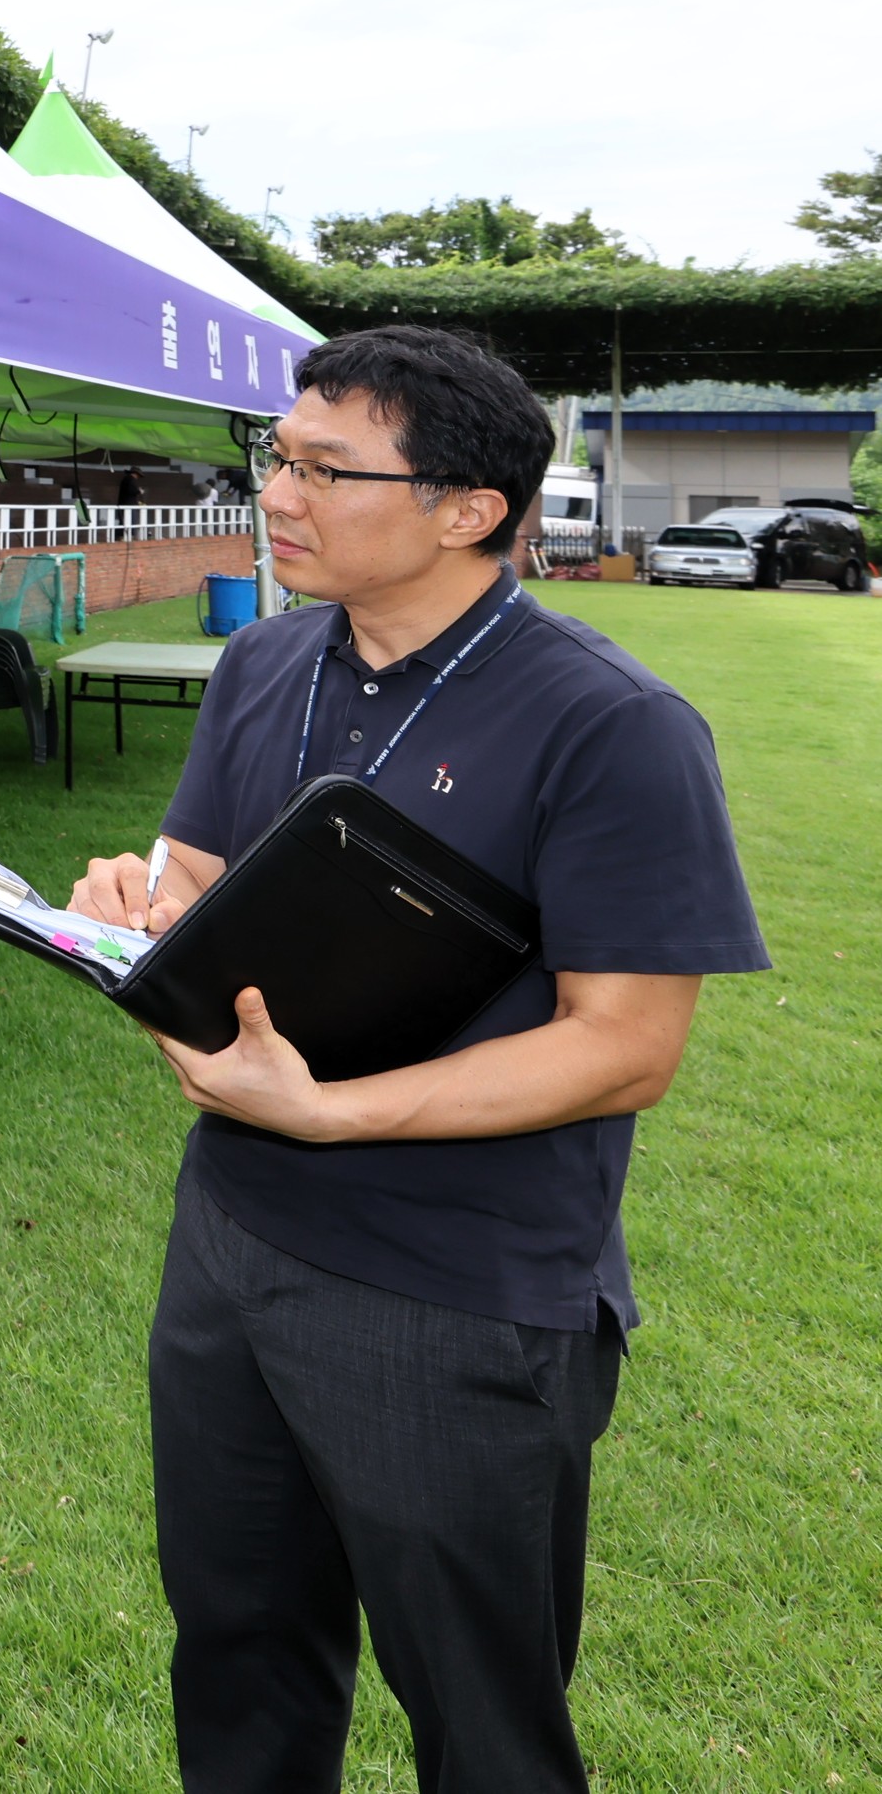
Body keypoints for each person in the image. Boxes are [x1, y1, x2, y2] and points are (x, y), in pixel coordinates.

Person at [66, 324, 766, 1794]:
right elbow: (192, 878)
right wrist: (132, 911)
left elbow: (623, 1048)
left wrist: (325, 1116)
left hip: (458, 1297)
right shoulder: (263, 661)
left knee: (480, 1717)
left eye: (326, 467)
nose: (275, 491)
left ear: (468, 512)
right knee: (238, 1651)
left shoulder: (610, 727)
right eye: (275, 454)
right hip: (231, 1246)